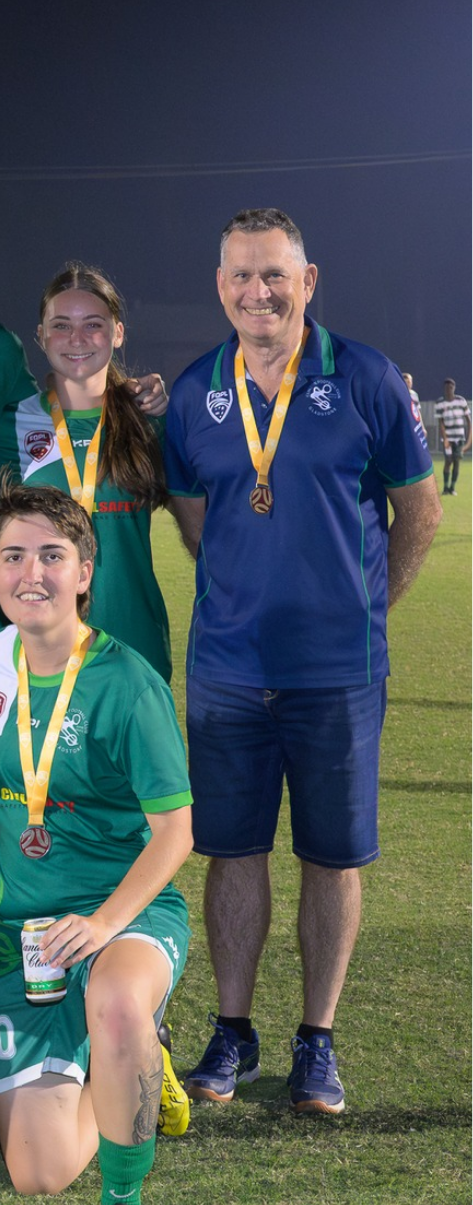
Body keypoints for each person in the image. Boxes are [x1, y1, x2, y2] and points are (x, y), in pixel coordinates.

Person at [164, 208, 439, 1116]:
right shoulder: (200, 388)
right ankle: (232, 1032)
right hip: (229, 672)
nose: (259, 292)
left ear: (308, 281)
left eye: (275, 274)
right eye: (241, 275)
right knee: (230, 852)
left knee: (333, 855)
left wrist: (367, 611)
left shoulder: (362, 376)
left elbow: (419, 510)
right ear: (220, 286)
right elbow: (196, 514)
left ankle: (316, 1041)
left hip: (337, 673)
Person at [0, 485, 194, 1205]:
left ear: (86, 571)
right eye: (14, 557)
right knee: (37, 1173)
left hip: (120, 914)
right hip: (24, 937)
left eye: (53, 556)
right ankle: (131, 1061)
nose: (34, 573)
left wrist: (104, 924)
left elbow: (174, 834)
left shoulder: (128, 682)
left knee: (118, 998)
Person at [0, 264, 173, 678]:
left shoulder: (150, 421)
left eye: (93, 324)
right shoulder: (9, 426)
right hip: (39, 650)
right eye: (61, 325)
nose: (77, 339)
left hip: (134, 646)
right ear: (40, 336)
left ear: (118, 333)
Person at [435, 378, 467, 495]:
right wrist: (445, 439)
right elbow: (440, 422)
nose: (448, 390)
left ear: (454, 388)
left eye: (451, 387)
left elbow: (468, 419)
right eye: (446, 388)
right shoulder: (440, 403)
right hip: (447, 438)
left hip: (459, 438)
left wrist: (469, 438)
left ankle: (452, 488)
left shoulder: (461, 401)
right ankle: (445, 487)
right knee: (448, 461)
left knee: (456, 461)